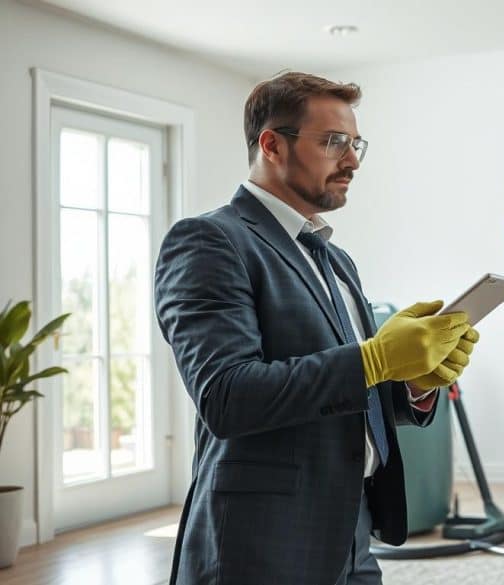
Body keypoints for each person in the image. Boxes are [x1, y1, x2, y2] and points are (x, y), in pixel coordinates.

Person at [154, 71, 478, 585]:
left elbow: (348, 392)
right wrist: (374, 358)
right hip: (260, 543)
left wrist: (413, 385)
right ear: (272, 145)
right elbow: (226, 397)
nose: (352, 161)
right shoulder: (209, 241)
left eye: (355, 145)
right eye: (333, 142)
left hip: (351, 532)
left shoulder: (336, 259)